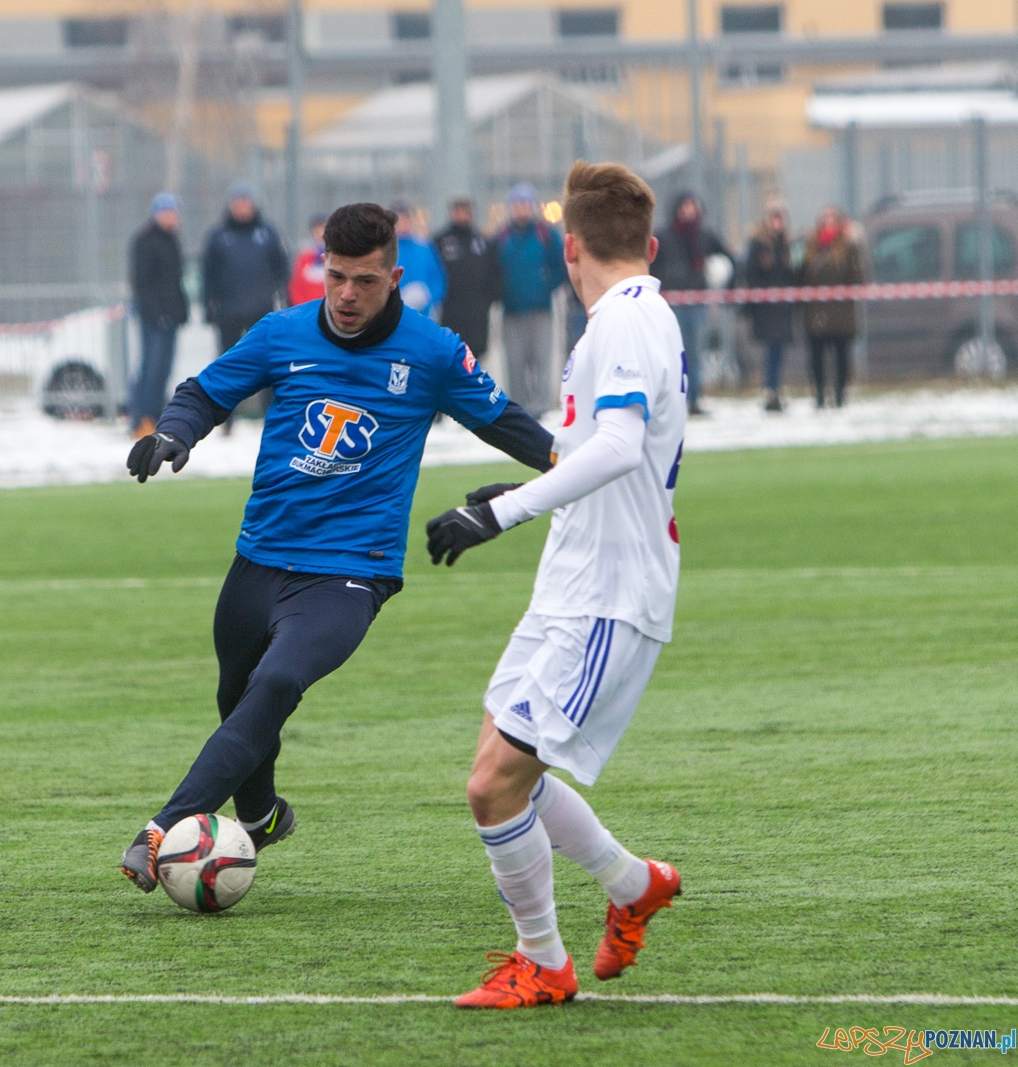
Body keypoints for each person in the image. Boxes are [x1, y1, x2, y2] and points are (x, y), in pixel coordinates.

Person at [118, 203, 555, 893]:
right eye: (337, 277)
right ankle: (259, 815)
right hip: (259, 558)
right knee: (239, 699)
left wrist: (573, 470)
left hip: (350, 573)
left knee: (276, 682)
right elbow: (204, 391)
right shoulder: (282, 332)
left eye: (366, 281)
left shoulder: (433, 352)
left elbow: (509, 423)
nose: (347, 295)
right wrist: (176, 430)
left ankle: (162, 828)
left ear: (394, 278)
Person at [425, 161, 685, 1010]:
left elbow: (620, 446)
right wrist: (513, 488)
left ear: (568, 247)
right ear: (649, 244)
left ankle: (544, 961)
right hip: (570, 586)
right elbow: (598, 448)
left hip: (609, 594)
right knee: (500, 769)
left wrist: (503, 516)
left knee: (493, 785)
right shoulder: (626, 317)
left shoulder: (629, 319)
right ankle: (633, 883)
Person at [651, 192, 732, 417]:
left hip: (697, 303)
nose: (688, 211)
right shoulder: (663, 236)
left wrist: (726, 282)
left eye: (692, 206)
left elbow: (728, 258)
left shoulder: (704, 236)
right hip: (671, 304)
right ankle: (672, 400)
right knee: (671, 353)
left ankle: (694, 399)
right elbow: (651, 265)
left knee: (694, 353)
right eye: (685, 206)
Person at [494, 183, 567, 417]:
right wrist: (501, 292)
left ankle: (541, 407)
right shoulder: (502, 237)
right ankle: (519, 408)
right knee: (515, 363)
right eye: (517, 205)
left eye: (525, 204)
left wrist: (546, 286)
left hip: (540, 309)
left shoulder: (546, 235)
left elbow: (560, 265)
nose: (521, 209)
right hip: (512, 311)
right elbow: (492, 270)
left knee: (541, 360)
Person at [201, 181, 290, 358]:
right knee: (230, 357)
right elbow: (208, 272)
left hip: (261, 309)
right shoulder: (218, 235)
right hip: (228, 310)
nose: (242, 207)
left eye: (246, 202)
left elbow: (281, 266)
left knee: (261, 355)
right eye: (238, 203)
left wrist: (280, 294)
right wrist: (208, 305)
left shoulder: (267, 233)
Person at [128, 191, 190, 438]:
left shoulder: (172, 240)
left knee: (164, 370)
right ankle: (141, 419)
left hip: (170, 316)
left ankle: (156, 417)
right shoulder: (145, 241)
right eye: (166, 212)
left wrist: (180, 310)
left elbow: (176, 281)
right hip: (153, 318)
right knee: (150, 370)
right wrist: (155, 313)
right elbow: (142, 283)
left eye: (174, 212)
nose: (171, 217)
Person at [797, 205, 866, 409]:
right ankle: (819, 394)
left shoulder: (849, 248)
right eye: (825, 220)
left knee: (842, 357)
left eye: (832, 220)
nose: (828, 224)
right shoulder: (810, 248)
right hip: (816, 313)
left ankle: (839, 395)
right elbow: (801, 278)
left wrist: (856, 246)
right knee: (816, 357)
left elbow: (858, 279)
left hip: (840, 314)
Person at [742, 197, 797, 413]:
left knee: (778, 351)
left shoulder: (788, 244)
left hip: (783, 308)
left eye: (780, 218)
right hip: (766, 309)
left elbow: (793, 273)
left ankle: (775, 390)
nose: (777, 223)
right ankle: (769, 390)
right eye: (773, 218)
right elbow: (751, 274)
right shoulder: (758, 244)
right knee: (770, 351)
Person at [434, 197, 503, 358]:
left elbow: (494, 271)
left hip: (477, 313)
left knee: (474, 356)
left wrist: (489, 299)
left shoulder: (481, 241)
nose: (461, 215)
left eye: (465, 211)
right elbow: (434, 271)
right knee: (451, 354)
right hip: (451, 311)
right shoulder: (441, 241)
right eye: (458, 211)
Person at [391, 200, 447, 320]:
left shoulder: (424, 246)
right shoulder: (386, 249)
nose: (403, 223)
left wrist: (430, 299)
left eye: (406, 218)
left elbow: (438, 278)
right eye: (399, 219)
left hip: (423, 313)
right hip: (395, 313)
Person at [287, 213, 329, 306]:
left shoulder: (338, 259)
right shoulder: (304, 258)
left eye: (323, 230)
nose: (321, 235)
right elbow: (296, 288)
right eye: (317, 231)